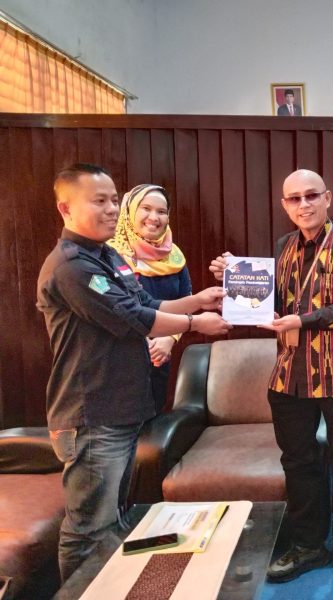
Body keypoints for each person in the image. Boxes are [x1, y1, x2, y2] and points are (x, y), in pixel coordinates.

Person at [37, 163, 231, 582]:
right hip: (91, 414)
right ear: (66, 208)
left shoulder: (107, 255)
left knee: (114, 518)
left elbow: (147, 303)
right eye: (99, 201)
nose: (111, 209)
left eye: (113, 200)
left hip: (122, 410)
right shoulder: (72, 267)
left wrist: (198, 300)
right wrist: (196, 323)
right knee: (88, 529)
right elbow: (133, 318)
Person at [210, 169, 333, 583]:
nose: (304, 204)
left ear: (327, 198)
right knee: (298, 463)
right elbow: (273, 304)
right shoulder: (283, 247)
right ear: (285, 206)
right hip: (289, 375)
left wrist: (304, 320)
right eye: (294, 198)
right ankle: (308, 545)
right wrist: (234, 279)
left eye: (311, 195)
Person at [107, 184, 191, 413]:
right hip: (119, 360)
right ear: (130, 211)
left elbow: (186, 299)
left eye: (161, 211)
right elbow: (112, 308)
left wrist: (169, 338)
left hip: (159, 356)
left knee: (153, 417)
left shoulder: (174, 255)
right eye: (146, 208)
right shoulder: (109, 254)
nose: (154, 217)